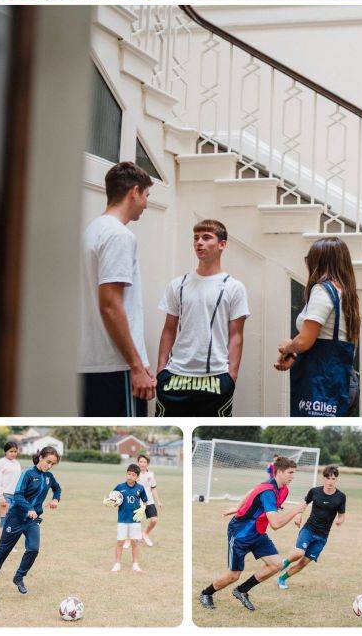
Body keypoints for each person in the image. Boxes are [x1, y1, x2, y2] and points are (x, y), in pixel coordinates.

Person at [79, 161, 156, 416]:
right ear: (134, 192)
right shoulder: (119, 236)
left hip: (90, 364)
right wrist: (136, 366)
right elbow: (110, 305)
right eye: (146, 195)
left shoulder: (91, 231)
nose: (145, 203)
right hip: (115, 367)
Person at [155, 219, 249, 417]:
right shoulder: (177, 284)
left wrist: (231, 376)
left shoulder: (234, 287)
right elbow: (169, 329)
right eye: (196, 238)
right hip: (175, 376)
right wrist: (161, 370)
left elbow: (236, 335)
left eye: (207, 238)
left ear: (222, 244)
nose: (199, 242)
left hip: (215, 378)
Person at [200, 456, 305, 612]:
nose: (292, 476)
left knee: (276, 564)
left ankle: (241, 590)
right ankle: (206, 594)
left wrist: (238, 506)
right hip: (241, 533)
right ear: (280, 472)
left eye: (293, 473)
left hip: (258, 532)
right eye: (290, 472)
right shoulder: (268, 491)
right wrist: (295, 510)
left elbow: (252, 493)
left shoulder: (283, 490)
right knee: (233, 575)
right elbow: (275, 524)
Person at [274, 237, 359, 417]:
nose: (307, 265)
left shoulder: (322, 290)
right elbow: (329, 337)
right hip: (341, 379)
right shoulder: (347, 293)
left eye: (309, 259)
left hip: (320, 381)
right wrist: (294, 354)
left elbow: (305, 340)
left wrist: (287, 346)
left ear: (319, 262)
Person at [0, 445, 62, 596]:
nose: (50, 466)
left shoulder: (49, 477)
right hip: (16, 518)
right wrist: (29, 509)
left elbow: (57, 489)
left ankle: (19, 577)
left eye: (53, 464)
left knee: (33, 549)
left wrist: (55, 499)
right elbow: (18, 495)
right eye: (48, 461)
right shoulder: (27, 473)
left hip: (32, 521)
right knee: (3, 551)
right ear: (40, 458)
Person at [276, 464, 346, 589]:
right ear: (323, 478)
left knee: (303, 563)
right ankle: (283, 564)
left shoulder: (341, 497)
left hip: (322, 536)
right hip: (309, 529)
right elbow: (303, 504)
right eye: (328, 478)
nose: (330, 481)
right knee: (298, 553)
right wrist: (298, 515)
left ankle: (282, 578)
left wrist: (340, 520)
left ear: (336, 479)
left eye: (333, 479)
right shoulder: (315, 491)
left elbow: (341, 515)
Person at [111, 463, 148, 573]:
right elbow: (113, 500)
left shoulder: (140, 488)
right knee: (120, 542)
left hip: (135, 520)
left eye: (133, 475)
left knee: (135, 542)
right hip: (122, 519)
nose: (130, 476)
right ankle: (117, 564)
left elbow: (145, 501)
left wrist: (142, 509)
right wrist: (112, 502)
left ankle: (135, 564)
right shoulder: (119, 487)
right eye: (128, 474)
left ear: (137, 477)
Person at [0, 440, 21, 529]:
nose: (13, 453)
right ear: (6, 451)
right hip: (4, 495)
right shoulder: (0, 463)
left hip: (15, 496)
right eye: (11, 451)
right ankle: (2, 543)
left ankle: (8, 543)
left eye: (15, 451)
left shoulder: (17, 463)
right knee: (4, 521)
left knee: (12, 522)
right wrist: (1, 497)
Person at [137, 454, 161, 546]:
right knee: (135, 522)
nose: (142, 464)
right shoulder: (134, 474)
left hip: (149, 501)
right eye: (140, 462)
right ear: (138, 463)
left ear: (147, 464)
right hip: (138, 502)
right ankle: (130, 541)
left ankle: (145, 534)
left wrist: (158, 501)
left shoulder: (151, 475)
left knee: (154, 520)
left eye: (144, 462)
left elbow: (153, 488)